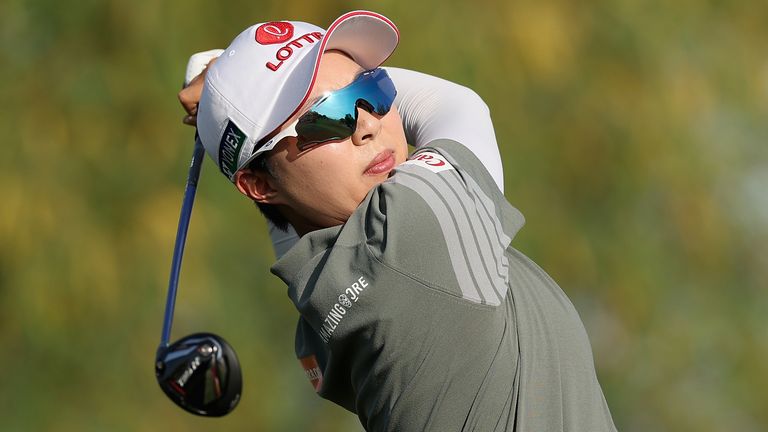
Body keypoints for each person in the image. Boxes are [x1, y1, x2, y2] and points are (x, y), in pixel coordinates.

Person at [177, 10, 617, 432]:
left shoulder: (317, 302)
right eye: (325, 117)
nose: (368, 123)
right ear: (256, 184)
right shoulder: (416, 233)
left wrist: (229, 101)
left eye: (372, 89)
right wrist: (222, 90)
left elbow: (288, 207)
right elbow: (458, 105)